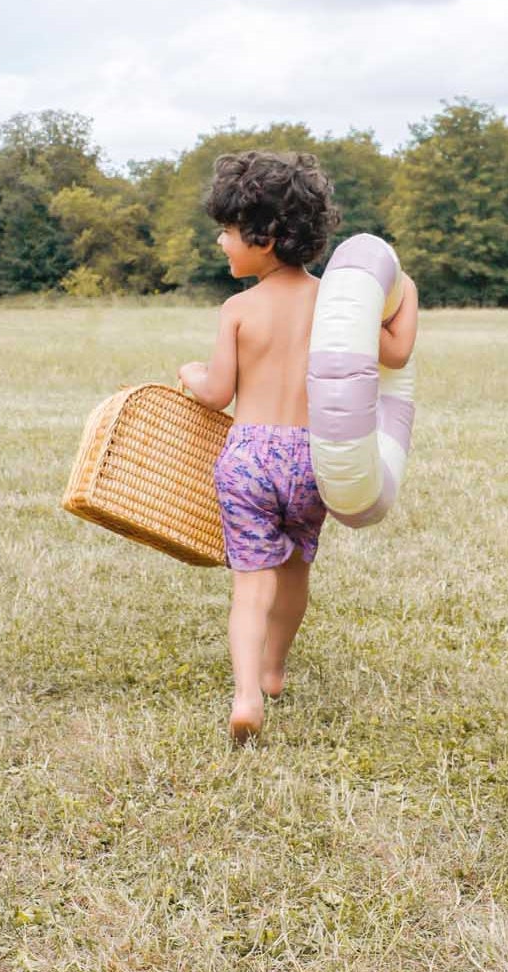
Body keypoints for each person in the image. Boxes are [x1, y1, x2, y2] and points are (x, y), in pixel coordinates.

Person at [178, 150, 418, 744]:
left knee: (250, 584)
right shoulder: (338, 310)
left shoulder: (238, 309)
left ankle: (245, 694)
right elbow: (396, 354)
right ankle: (275, 670)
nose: (221, 242)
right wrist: (406, 292)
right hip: (315, 461)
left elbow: (218, 393)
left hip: (250, 460)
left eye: (229, 233)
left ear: (266, 237)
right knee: (293, 573)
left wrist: (190, 375)